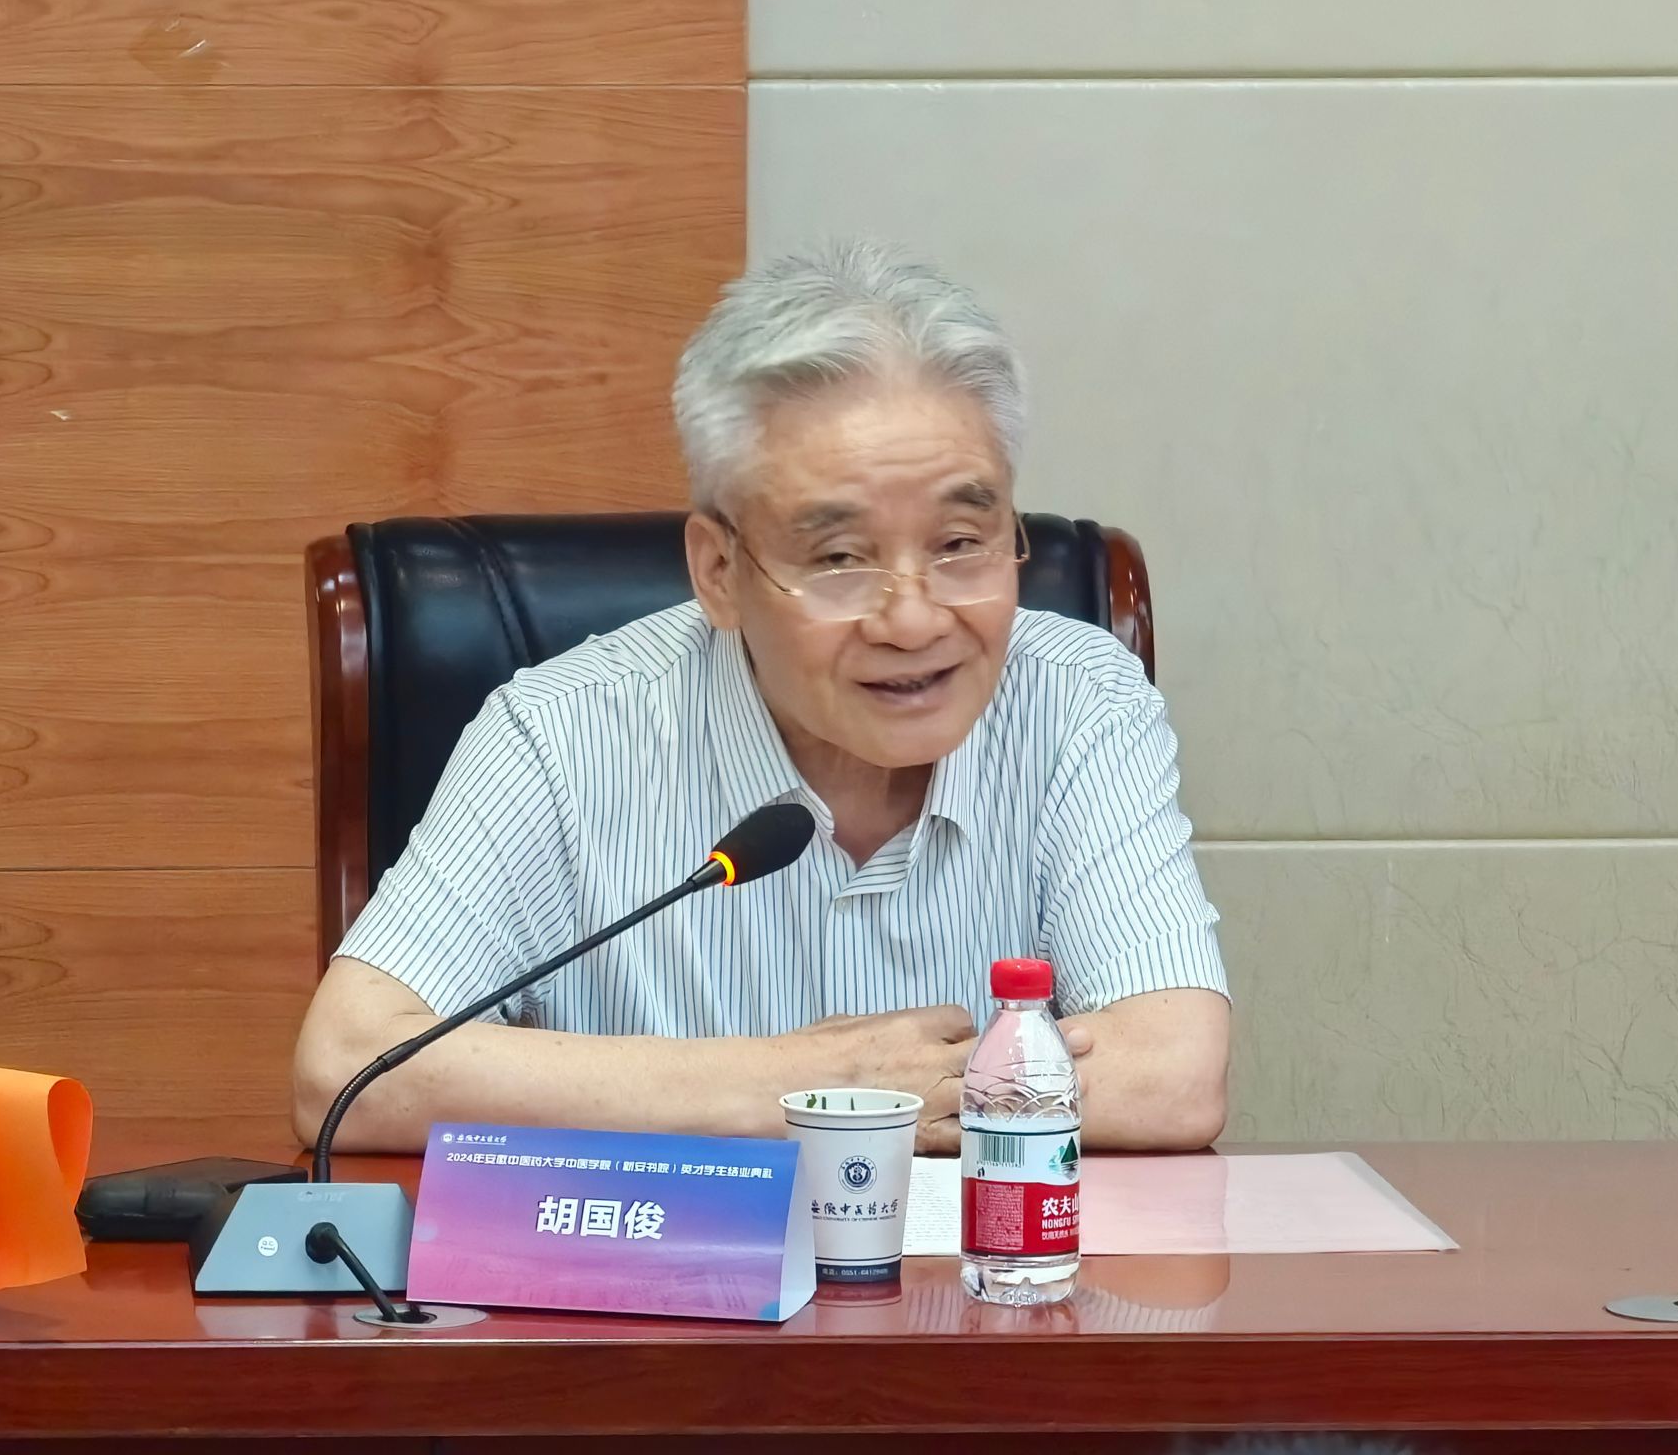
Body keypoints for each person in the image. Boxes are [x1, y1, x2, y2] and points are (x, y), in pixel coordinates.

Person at [293, 241, 1230, 1155]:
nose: (913, 620)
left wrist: (889, 1096)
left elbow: (1171, 1075)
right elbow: (347, 1069)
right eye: (839, 557)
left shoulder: (1077, 700)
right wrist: (806, 1089)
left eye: (960, 544)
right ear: (719, 572)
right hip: (670, 1263)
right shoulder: (563, 734)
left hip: (991, 1265)